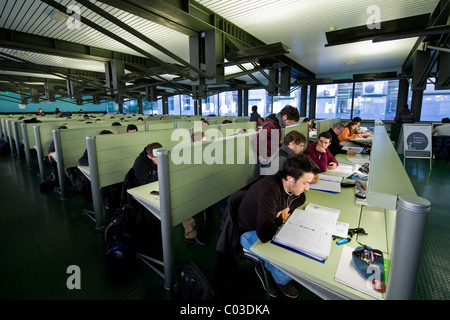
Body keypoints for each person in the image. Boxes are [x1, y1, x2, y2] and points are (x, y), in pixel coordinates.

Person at [238, 154, 321, 298]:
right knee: (293, 258)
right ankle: (276, 276)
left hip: (267, 227)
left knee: (299, 249)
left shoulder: (288, 184)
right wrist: (283, 223)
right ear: (291, 179)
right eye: (305, 183)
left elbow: (301, 198)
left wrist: (288, 208)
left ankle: (269, 269)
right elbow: (264, 235)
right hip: (250, 233)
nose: (307, 188)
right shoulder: (270, 190)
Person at [133, 142, 207, 248]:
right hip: (146, 192)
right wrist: (162, 171)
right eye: (156, 159)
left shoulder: (164, 154)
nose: (160, 161)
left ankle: (189, 233)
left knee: (183, 196)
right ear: (149, 156)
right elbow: (145, 184)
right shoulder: (139, 163)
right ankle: (191, 234)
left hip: (163, 185)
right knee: (179, 202)